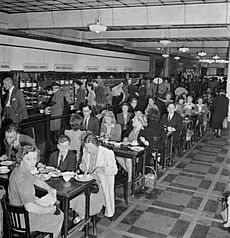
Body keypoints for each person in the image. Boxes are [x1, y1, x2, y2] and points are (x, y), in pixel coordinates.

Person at [8, 145, 64, 238]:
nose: (32, 163)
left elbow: (36, 180)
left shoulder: (19, 170)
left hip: (16, 215)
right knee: (59, 215)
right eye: (28, 159)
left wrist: (49, 188)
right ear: (21, 159)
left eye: (34, 159)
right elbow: (30, 208)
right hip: (24, 220)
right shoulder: (23, 179)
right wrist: (50, 209)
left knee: (45, 205)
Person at [70, 133, 117, 223]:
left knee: (84, 200)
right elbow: (83, 162)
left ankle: (84, 216)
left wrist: (103, 169)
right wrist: (82, 166)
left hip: (101, 186)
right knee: (73, 196)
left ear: (97, 145)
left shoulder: (107, 153)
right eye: (87, 148)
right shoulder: (85, 150)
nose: (88, 150)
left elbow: (114, 170)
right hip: (88, 182)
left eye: (91, 148)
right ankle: (83, 214)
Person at [116, 111, 149, 183]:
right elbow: (125, 135)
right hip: (128, 150)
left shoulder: (145, 131)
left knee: (128, 158)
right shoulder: (131, 128)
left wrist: (140, 142)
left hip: (139, 154)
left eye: (134, 119)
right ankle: (131, 174)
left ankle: (130, 178)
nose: (132, 120)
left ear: (139, 122)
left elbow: (148, 144)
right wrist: (125, 138)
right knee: (117, 156)